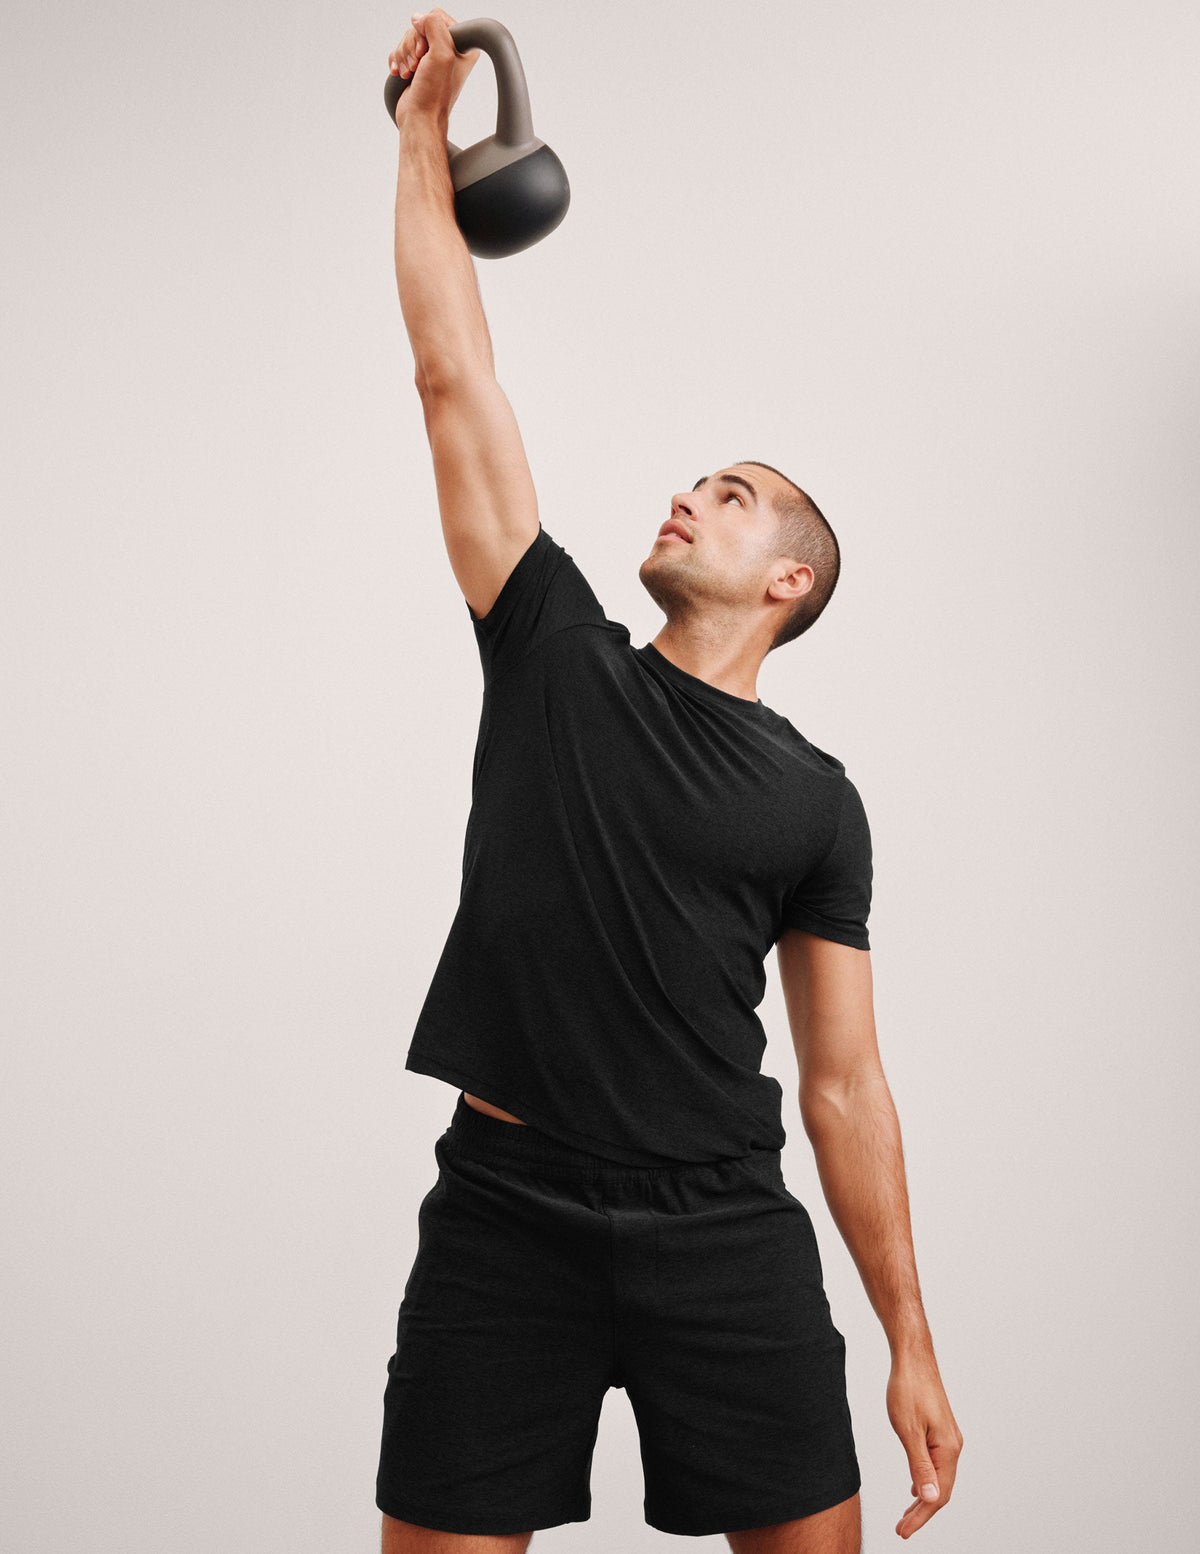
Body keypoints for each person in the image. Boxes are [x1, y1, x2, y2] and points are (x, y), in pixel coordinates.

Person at [376, 13, 963, 1554]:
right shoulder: (556, 648)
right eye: (696, 480)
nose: (691, 496)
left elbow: (843, 1082)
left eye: (736, 494)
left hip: (723, 1228)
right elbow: (455, 377)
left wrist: (908, 1330)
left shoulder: (817, 802)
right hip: (506, 1209)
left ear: (789, 582)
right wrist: (420, 144)